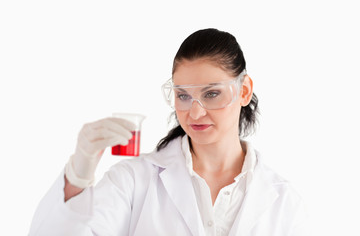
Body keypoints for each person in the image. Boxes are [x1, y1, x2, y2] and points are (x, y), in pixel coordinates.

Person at [29, 28, 308, 236]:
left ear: (244, 90)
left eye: (211, 93)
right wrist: (79, 172)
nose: (195, 113)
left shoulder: (283, 200)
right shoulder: (134, 182)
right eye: (183, 96)